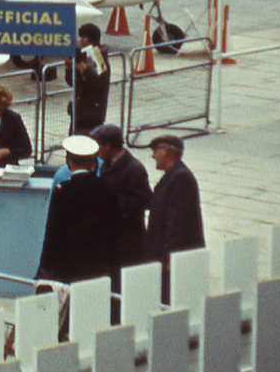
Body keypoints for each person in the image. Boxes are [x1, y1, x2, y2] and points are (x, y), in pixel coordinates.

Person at [37, 136, 122, 287]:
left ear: (68, 162)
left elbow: (53, 231)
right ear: (91, 163)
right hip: (100, 264)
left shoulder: (62, 191)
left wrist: (46, 265)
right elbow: (115, 228)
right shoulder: (107, 187)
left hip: (69, 265)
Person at [144, 135, 205, 300]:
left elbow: (176, 223)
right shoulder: (174, 175)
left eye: (155, 151)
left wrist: (167, 257)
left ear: (165, 151)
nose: (152, 156)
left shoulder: (180, 178)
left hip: (174, 263)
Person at [91, 124, 152, 271]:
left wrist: (111, 201)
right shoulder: (106, 165)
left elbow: (145, 200)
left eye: (98, 145)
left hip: (128, 241)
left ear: (107, 146)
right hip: (110, 238)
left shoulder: (134, 168)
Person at [70, 23, 111, 135]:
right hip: (79, 110)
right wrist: (70, 68)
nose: (81, 40)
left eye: (84, 37)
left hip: (92, 112)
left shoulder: (97, 57)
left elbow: (101, 83)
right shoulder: (83, 55)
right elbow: (71, 82)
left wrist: (85, 71)